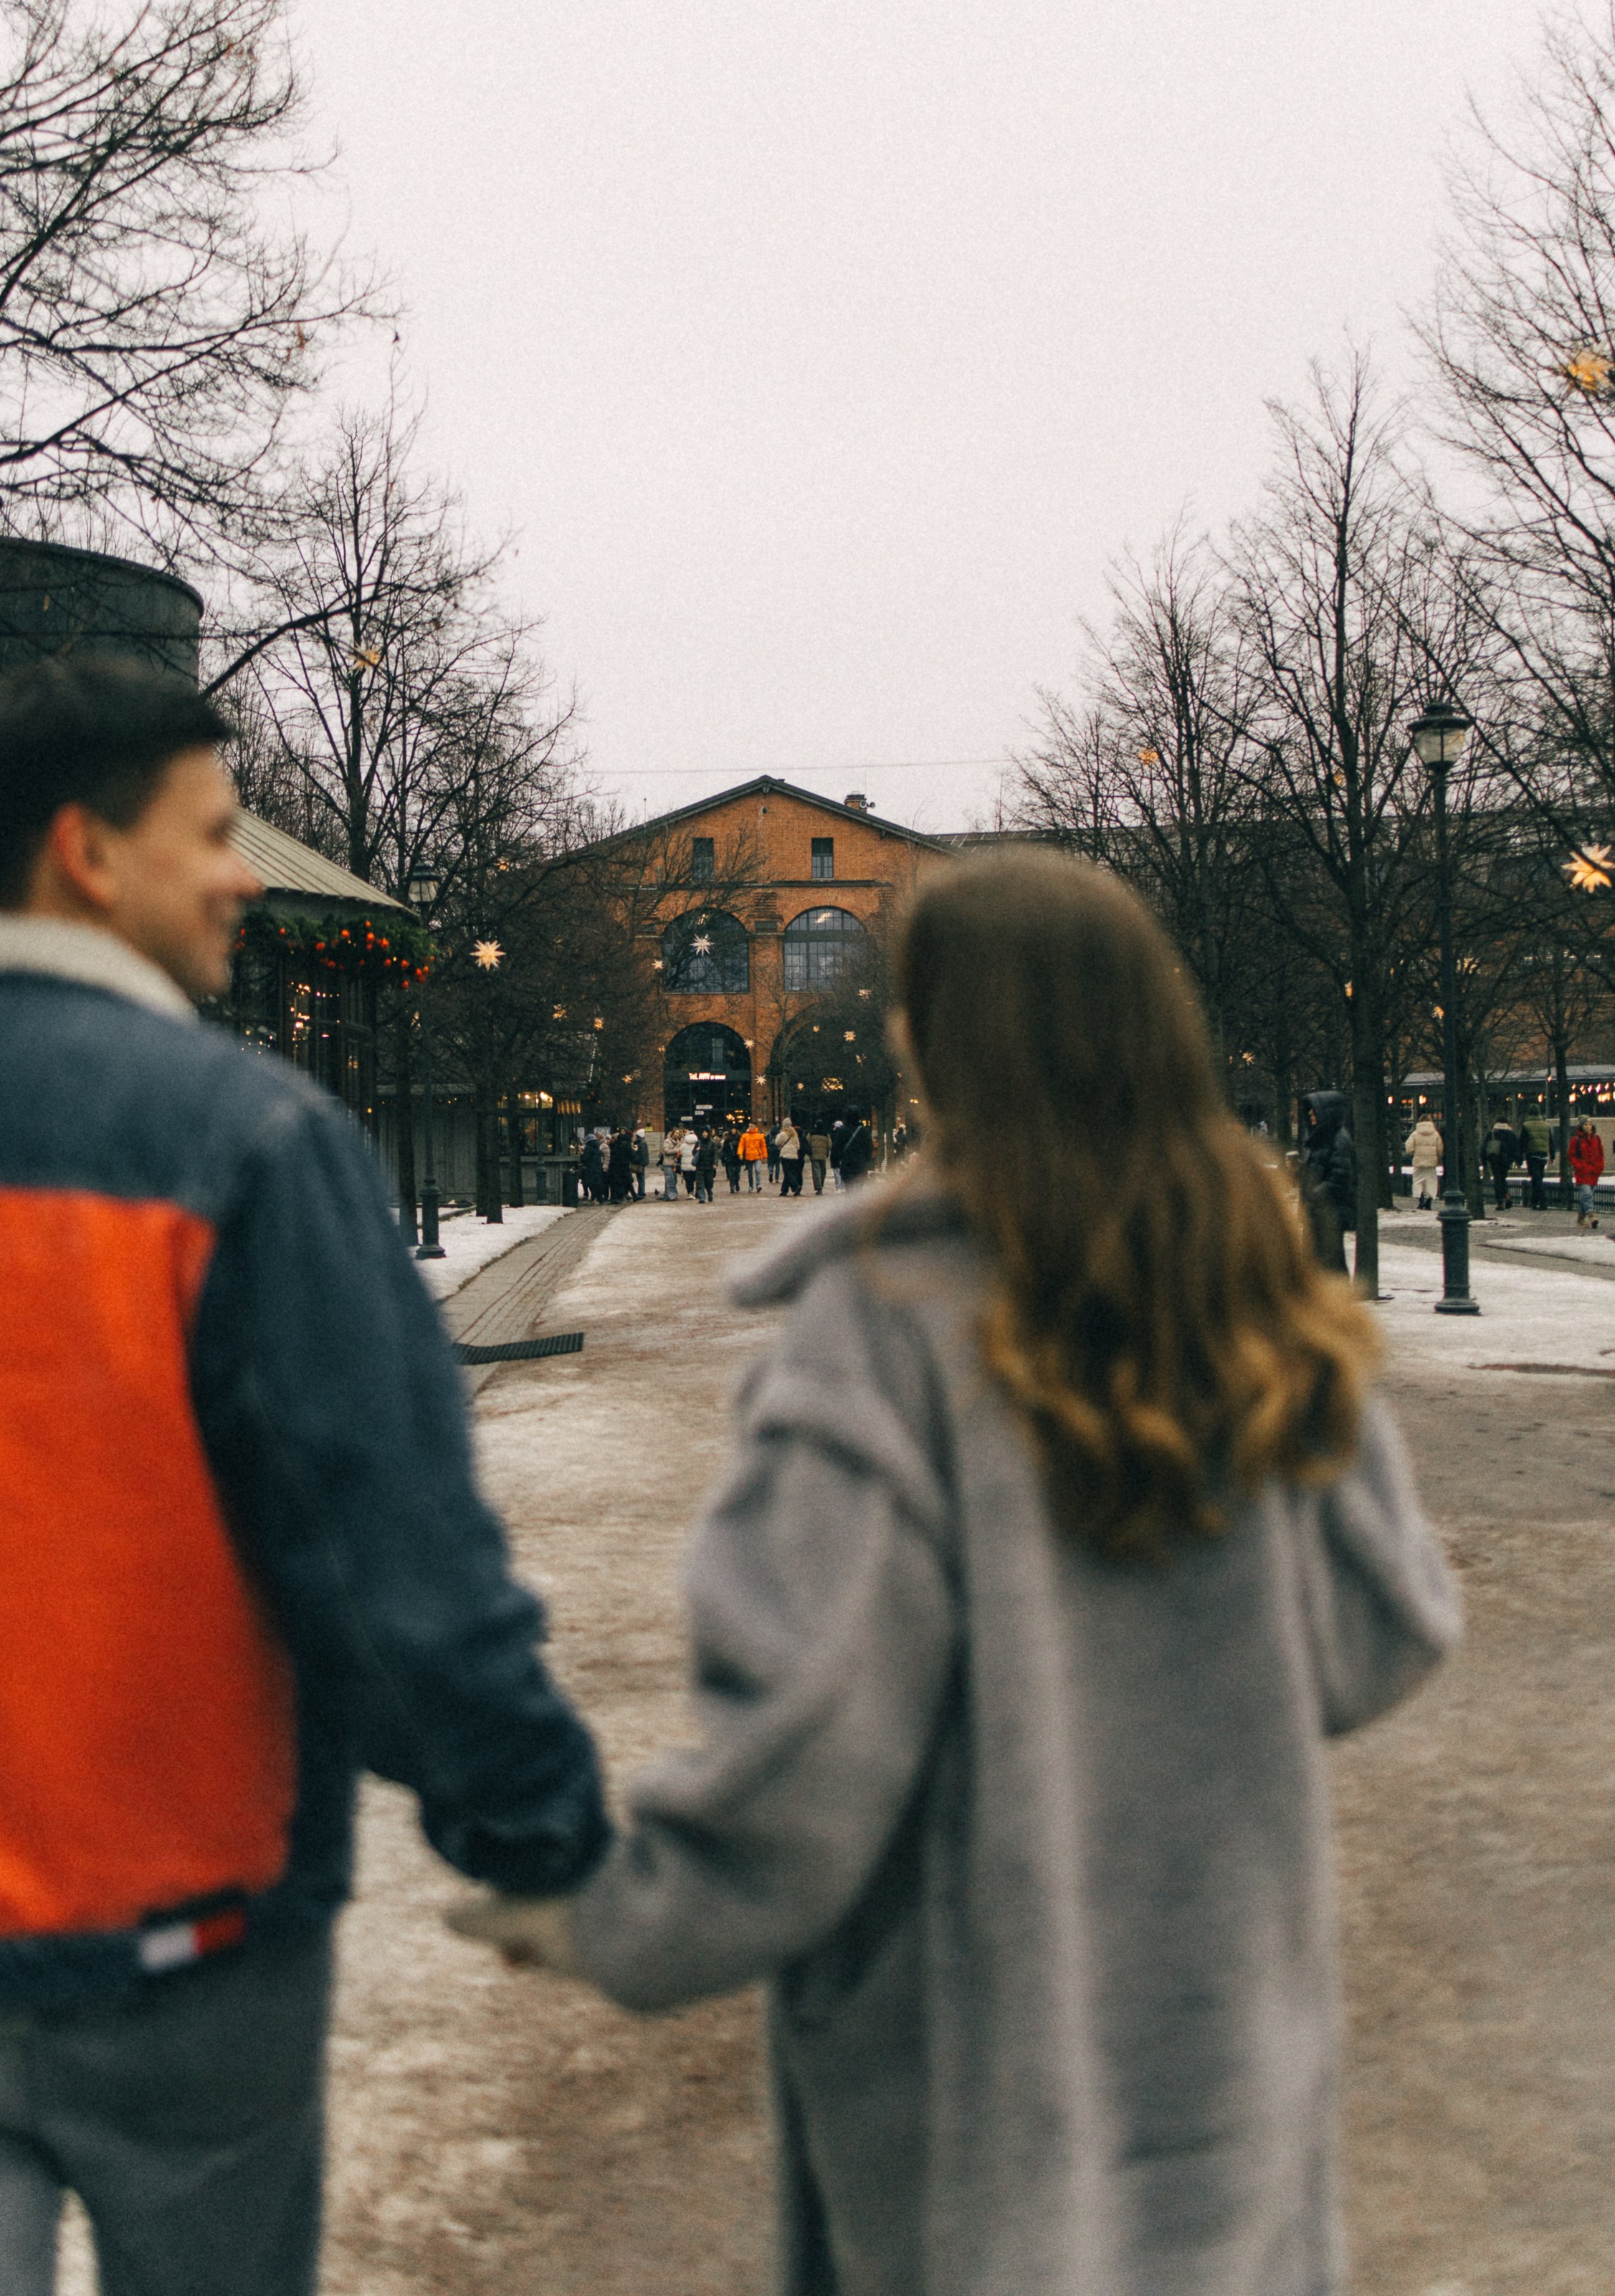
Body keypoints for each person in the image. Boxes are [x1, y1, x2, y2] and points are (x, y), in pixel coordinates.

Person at [453, 849, 1457, 2296]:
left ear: (938, 1044)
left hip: (980, 2078)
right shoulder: (1249, 1296)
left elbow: (811, 1749)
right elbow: (1383, 1632)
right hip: (1225, 2046)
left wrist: (620, 1914)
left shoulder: (887, 1325)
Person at [0, 659, 609, 2296]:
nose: (238, 873)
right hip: (182, 1934)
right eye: (212, 831)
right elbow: (386, 1549)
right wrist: (532, 1827)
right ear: (88, 852)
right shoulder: (248, 1141)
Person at [1300, 1090, 1356, 1272]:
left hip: (1330, 1212)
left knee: (1330, 1263)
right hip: (1321, 1211)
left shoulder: (1338, 1140)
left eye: (1314, 1110)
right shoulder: (1324, 1138)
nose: (1310, 1114)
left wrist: (1315, 1194)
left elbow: (1340, 1177)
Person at [1569, 1114, 1605, 1230]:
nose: (1588, 1127)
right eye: (1586, 1124)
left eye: (1589, 1124)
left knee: (1587, 1197)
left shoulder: (1596, 1138)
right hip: (1582, 1172)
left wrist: (1600, 1166)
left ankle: (1580, 1219)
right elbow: (1571, 1155)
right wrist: (1579, 1166)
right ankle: (1591, 1216)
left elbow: (1601, 1154)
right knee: (1587, 1195)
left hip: (1594, 1172)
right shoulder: (1576, 1140)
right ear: (1581, 1126)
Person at [1404, 1111, 1443, 1212]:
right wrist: (1438, 1157)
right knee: (1431, 1181)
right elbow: (1440, 1149)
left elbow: (1409, 1147)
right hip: (1431, 1163)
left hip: (1419, 1161)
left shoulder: (1415, 1134)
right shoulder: (1435, 1134)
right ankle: (1429, 1201)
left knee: (1417, 1181)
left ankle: (1421, 1199)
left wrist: (1414, 1153)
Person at [1484, 1114, 1520, 1212]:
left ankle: (1500, 1203)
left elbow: (1485, 1147)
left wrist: (1484, 1160)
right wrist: (1518, 1160)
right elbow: (1516, 1148)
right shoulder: (1511, 1134)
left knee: (1497, 1179)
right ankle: (1507, 1196)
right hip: (1506, 1160)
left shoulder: (1492, 1133)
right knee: (1503, 1178)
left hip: (1494, 1159)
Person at [1522, 1109, 1552, 1211]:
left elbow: (1523, 1141)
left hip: (1532, 1155)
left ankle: (1542, 1202)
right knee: (1538, 1178)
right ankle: (1534, 1202)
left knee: (1536, 1179)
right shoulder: (1546, 1125)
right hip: (1543, 1155)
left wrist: (1520, 1156)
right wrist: (1552, 1155)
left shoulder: (1526, 1125)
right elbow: (1551, 1140)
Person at [837, 1106, 874, 1186]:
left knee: (849, 1189)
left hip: (847, 1166)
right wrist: (867, 1160)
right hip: (860, 1165)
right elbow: (870, 1147)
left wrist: (837, 1161)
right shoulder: (864, 1131)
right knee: (859, 1190)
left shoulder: (842, 1131)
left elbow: (837, 1148)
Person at [776, 1115, 804, 1197]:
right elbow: (798, 1146)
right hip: (794, 1156)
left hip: (785, 1156)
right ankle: (784, 1191)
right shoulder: (795, 1134)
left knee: (787, 1173)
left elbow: (777, 1143)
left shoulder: (782, 1134)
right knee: (789, 1172)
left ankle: (796, 1186)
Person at [578, 1129, 605, 1206]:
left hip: (590, 1169)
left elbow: (585, 1159)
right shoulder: (598, 1147)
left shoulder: (588, 1148)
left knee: (591, 1184)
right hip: (598, 1168)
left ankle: (594, 1198)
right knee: (598, 1184)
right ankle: (600, 1199)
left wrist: (582, 1155)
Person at [739, 1118, 767, 1192]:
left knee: (758, 1170)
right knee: (750, 1173)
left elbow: (763, 1147)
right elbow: (741, 1146)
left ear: (755, 1126)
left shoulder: (760, 1136)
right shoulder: (745, 1136)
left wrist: (765, 1157)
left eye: (752, 1126)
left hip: (757, 1156)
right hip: (748, 1156)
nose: (750, 1128)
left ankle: (758, 1185)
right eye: (750, 1126)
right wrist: (740, 1154)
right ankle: (751, 1186)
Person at [606, 1129, 633, 1205]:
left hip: (617, 1167)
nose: (612, 1140)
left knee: (618, 1182)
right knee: (622, 1182)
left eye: (613, 1139)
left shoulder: (618, 1146)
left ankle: (618, 1197)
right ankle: (622, 1196)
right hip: (620, 1166)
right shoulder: (620, 1145)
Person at [695, 1126, 720, 1202]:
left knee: (709, 1181)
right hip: (700, 1165)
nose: (704, 1134)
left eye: (706, 1132)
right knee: (700, 1182)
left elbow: (716, 1154)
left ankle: (710, 1192)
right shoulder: (699, 1143)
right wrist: (697, 1150)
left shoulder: (713, 1143)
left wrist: (715, 1163)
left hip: (709, 1166)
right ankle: (702, 1197)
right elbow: (693, 1153)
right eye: (703, 1133)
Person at [806, 1123, 831, 1195]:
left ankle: (818, 1186)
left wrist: (809, 1151)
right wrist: (827, 1151)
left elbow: (808, 1142)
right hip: (823, 1155)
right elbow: (830, 1145)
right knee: (823, 1170)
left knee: (816, 1170)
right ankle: (822, 1183)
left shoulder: (811, 1133)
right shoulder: (826, 1134)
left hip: (814, 1155)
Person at [660, 1124, 684, 1200]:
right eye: (676, 1133)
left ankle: (668, 1195)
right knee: (669, 1180)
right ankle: (672, 1196)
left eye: (678, 1133)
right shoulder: (667, 1141)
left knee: (674, 1180)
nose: (677, 1135)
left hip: (674, 1163)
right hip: (668, 1163)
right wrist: (676, 1151)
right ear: (672, 1133)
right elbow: (666, 1151)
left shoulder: (678, 1142)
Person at [679, 1127, 698, 1197]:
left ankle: (690, 1192)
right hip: (695, 1165)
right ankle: (698, 1193)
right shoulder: (697, 1145)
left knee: (688, 1181)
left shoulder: (683, 1146)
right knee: (697, 1179)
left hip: (685, 1166)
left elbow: (679, 1153)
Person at [632, 1127, 650, 1199]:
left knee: (640, 1177)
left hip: (640, 1163)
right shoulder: (642, 1142)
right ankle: (641, 1191)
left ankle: (641, 1192)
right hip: (642, 1162)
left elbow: (640, 1154)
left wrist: (635, 1160)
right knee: (641, 1177)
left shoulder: (641, 1143)